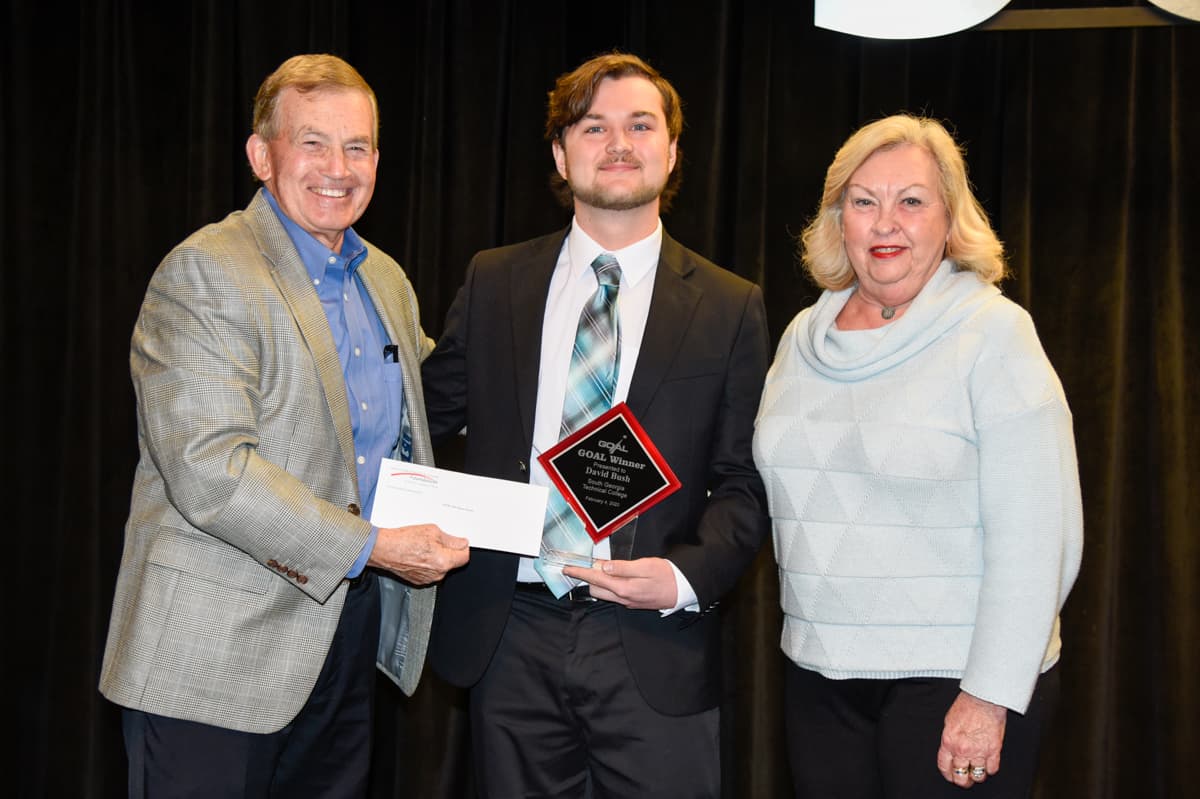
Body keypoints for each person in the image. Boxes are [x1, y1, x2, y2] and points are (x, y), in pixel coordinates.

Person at [99, 53, 469, 797]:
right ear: (262, 155)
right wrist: (376, 546)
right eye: (313, 142)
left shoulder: (385, 279)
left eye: (357, 146)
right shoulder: (206, 270)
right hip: (211, 658)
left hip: (342, 646)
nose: (338, 166)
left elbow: (434, 409)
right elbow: (211, 471)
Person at [422, 52, 770, 798]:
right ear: (560, 152)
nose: (618, 142)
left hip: (650, 638)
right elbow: (421, 416)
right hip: (508, 630)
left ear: (672, 149)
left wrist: (683, 576)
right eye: (593, 126)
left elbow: (745, 481)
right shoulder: (494, 280)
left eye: (640, 124)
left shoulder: (730, 305)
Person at [753, 114, 1084, 797]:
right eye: (864, 201)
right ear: (837, 217)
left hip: (955, 685)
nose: (885, 224)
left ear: (948, 218)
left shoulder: (994, 334)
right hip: (818, 679)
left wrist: (989, 695)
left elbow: (1039, 538)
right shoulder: (800, 337)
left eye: (911, 201)